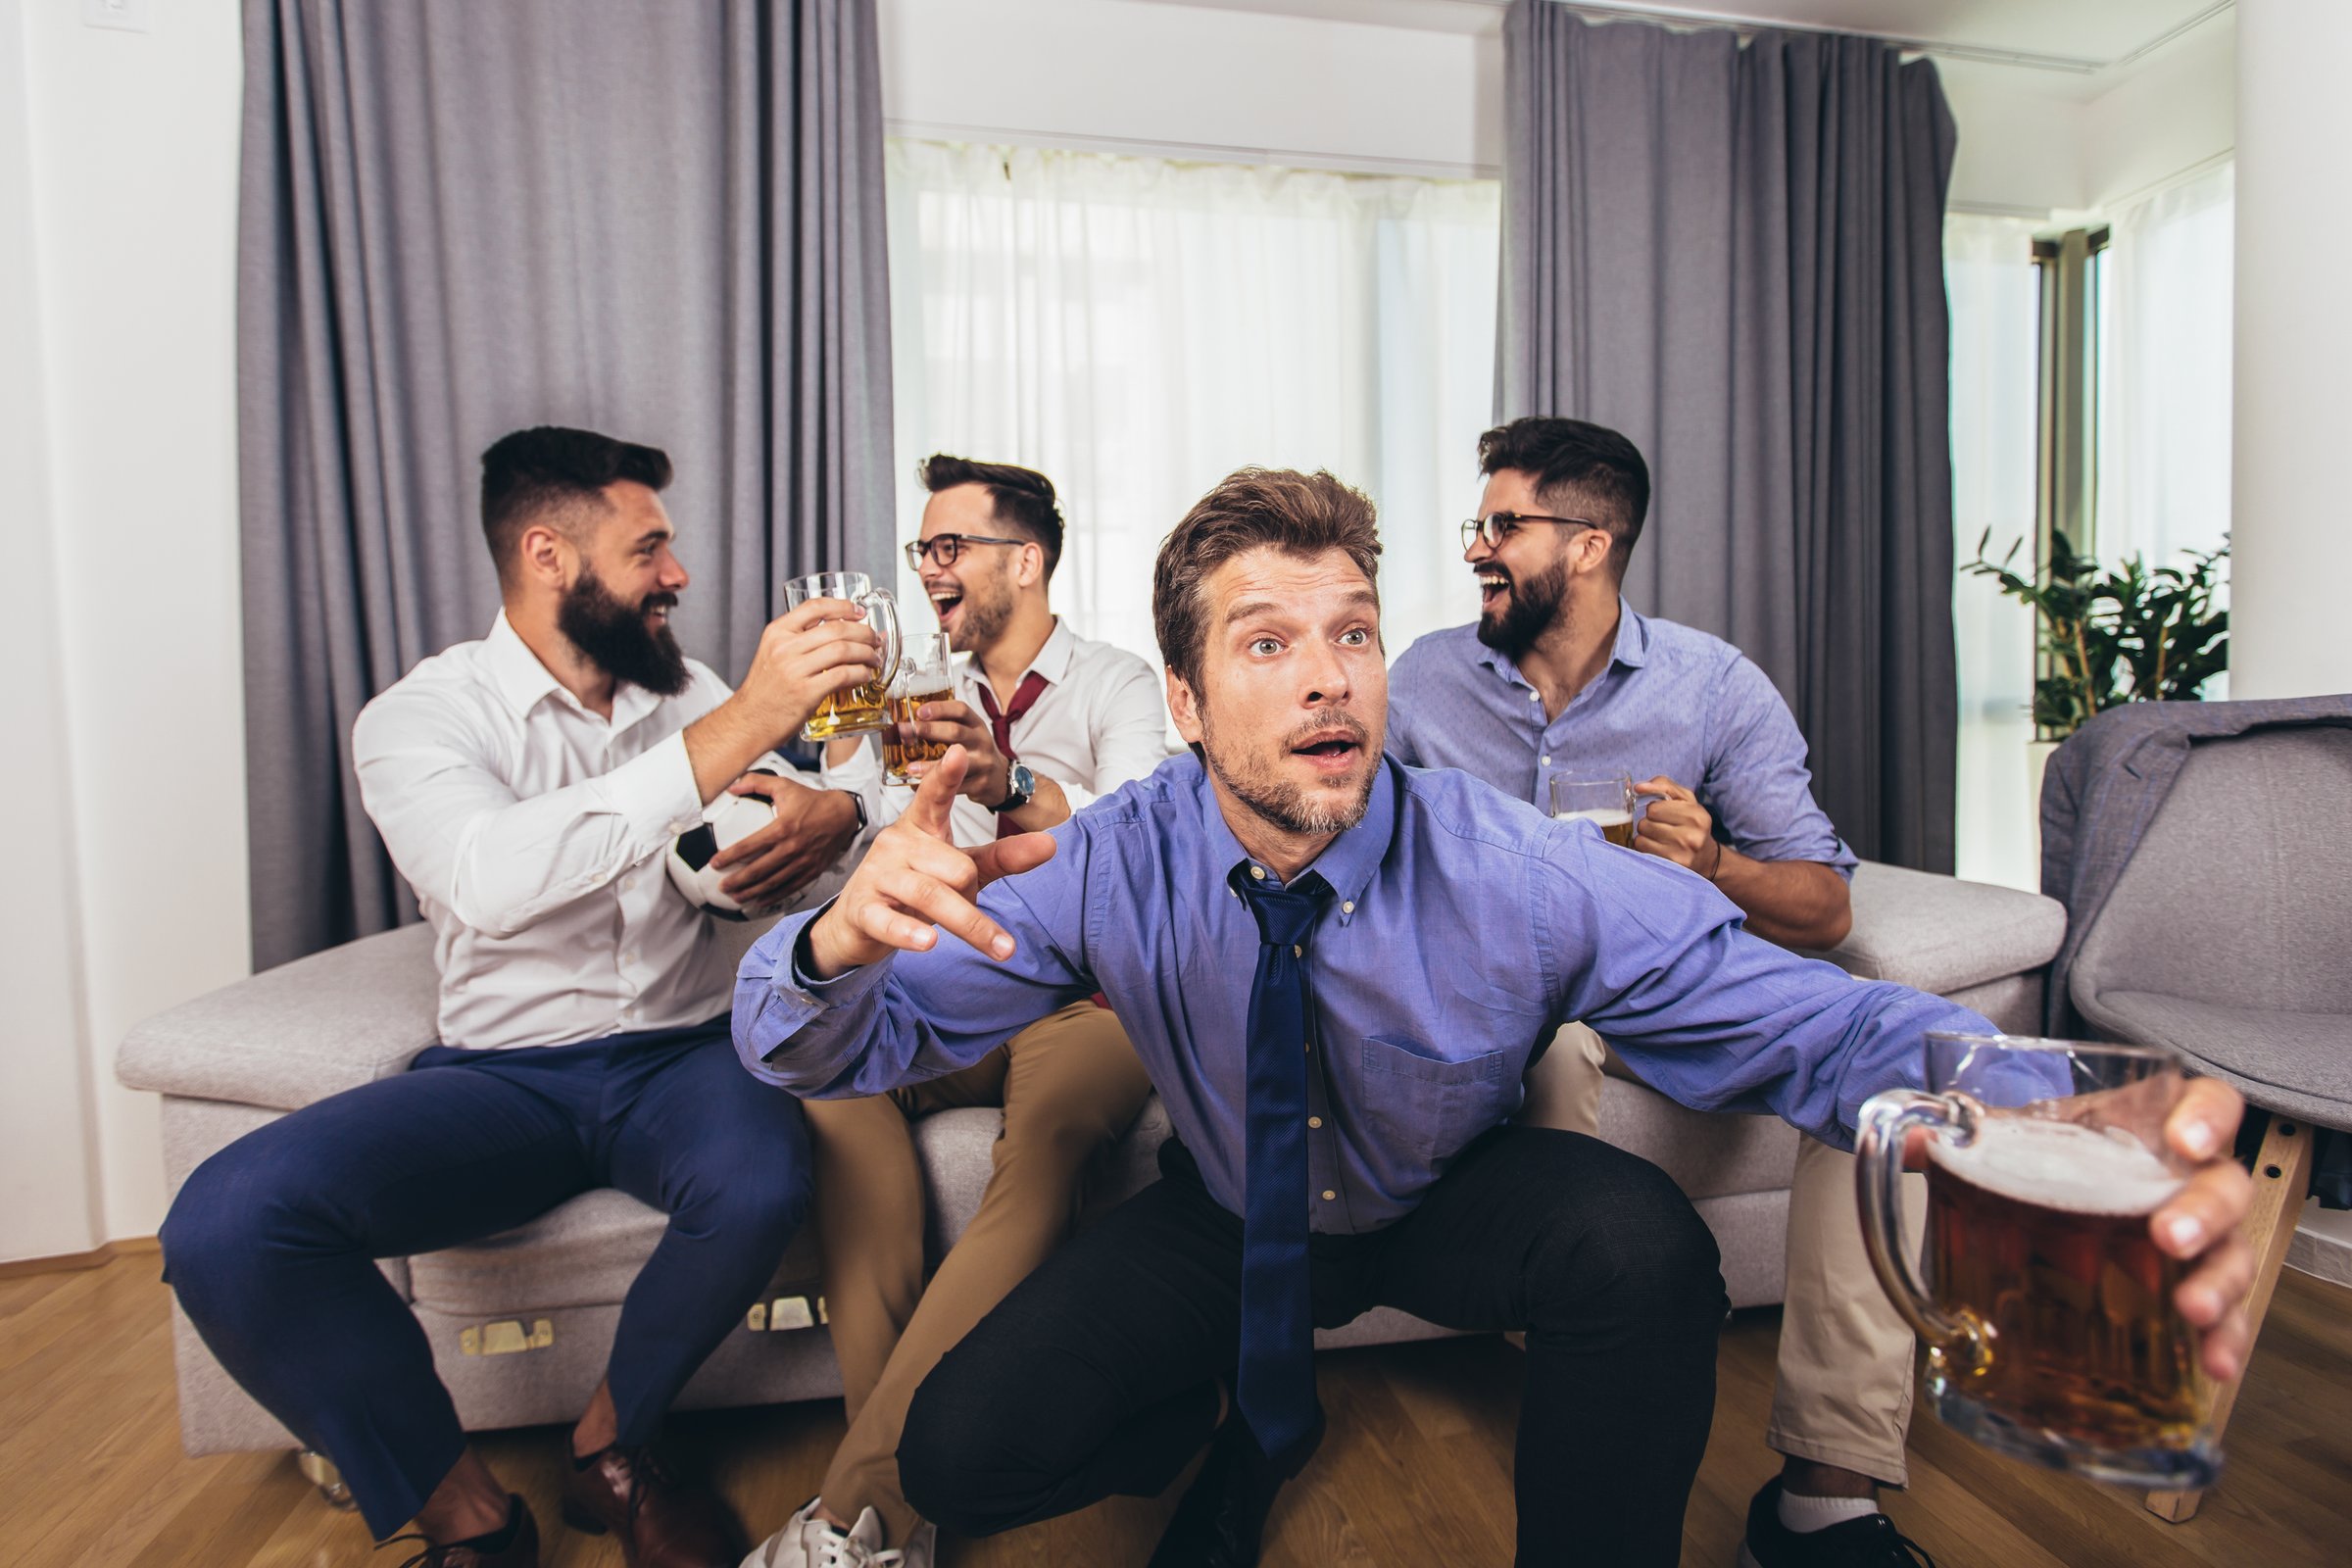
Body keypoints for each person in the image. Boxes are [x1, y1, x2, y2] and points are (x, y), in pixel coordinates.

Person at [731, 467, 2258, 1567]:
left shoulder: (1513, 867)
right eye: (1267, 642)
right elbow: (823, 1045)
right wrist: (827, 946)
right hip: (1230, 1210)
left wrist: (2038, 1098)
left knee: (1637, 1242)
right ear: (1186, 705)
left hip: (1440, 1190)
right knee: (961, 1452)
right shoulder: (1117, 863)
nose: (1330, 679)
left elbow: (1803, 1020)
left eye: (1352, 634)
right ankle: (1220, 1430)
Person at [160, 426, 884, 1568]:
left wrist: (821, 819)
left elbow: (733, 853)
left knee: (758, 1184)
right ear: (550, 554)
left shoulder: (683, 692)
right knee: (224, 1221)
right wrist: (742, 723)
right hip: (505, 1076)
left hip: (685, 1053)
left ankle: (612, 1446)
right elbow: (490, 879)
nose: (679, 576)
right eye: (650, 549)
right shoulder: (420, 717)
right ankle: (469, 1516)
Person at [1383, 415, 1918, 1564]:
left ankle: (1829, 1491)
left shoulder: (1713, 686)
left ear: (1588, 544)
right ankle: (1592, 1357)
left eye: (1503, 524)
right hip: (1526, 998)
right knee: (1555, 1045)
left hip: (1677, 981)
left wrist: (1713, 862)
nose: (1478, 546)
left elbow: (1825, 906)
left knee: (1879, 1080)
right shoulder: (1425, 677)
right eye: (1477, 522)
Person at [743, 455, 1165, 1568]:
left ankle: (850, 1518)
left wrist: (1004, 785)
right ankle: (898, 1491)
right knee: (831, 1082)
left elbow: (1136, 841)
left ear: (1025, 562)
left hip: (1087, 994)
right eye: (920, 549)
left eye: (948, 546)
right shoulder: (905, 695)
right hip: (942, 990)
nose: (925, 567)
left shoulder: (1119, 683)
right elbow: (869, 830)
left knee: (1054, 1147)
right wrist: (832, 790)